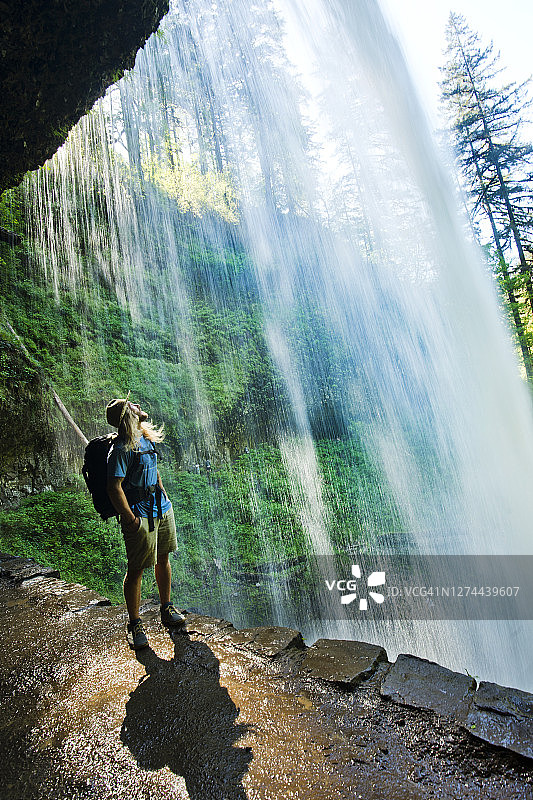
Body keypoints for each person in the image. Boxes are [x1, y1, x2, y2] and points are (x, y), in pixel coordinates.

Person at [105, 396, 185, 650]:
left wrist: (165, 495)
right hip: (140, 514)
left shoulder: (146, 438)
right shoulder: (121, 449)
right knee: (137, 568)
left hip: (161, 508)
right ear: (128, 415)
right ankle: (135, 623)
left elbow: (154, 470)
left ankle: (166, 607)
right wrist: (130, 519)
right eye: (133, 406)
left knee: (164, 558)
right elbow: (113, 487)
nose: (139, 407)